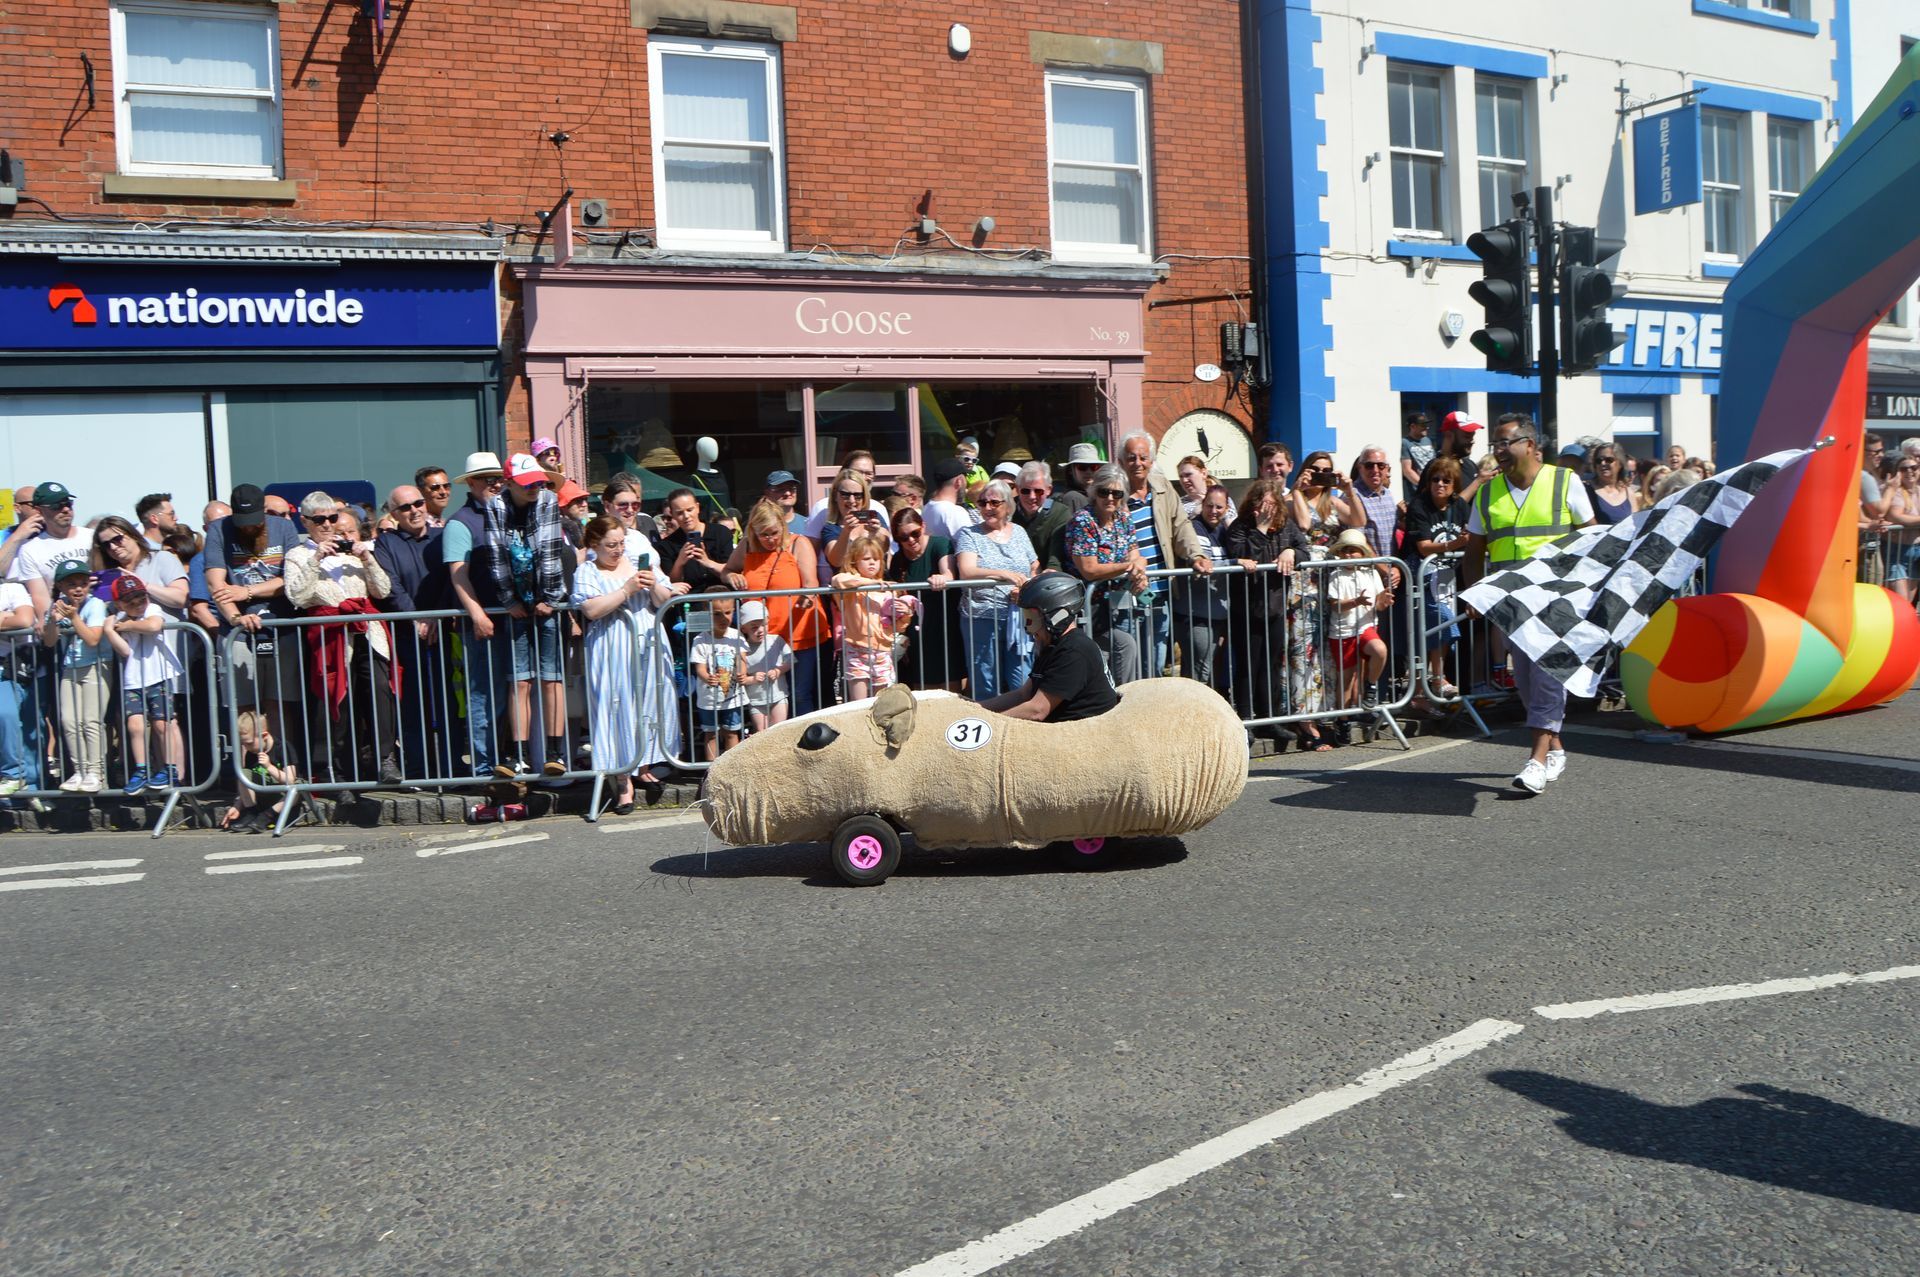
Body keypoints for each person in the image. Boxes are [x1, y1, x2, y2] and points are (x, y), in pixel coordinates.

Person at [1461, 414, 1597, 795]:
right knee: (1523, 678)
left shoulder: (1565, 482)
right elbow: (1474, 551)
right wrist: (1476, 594)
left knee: (1547, 673)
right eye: (1496, 445)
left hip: (1557, 598)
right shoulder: (1487, 493)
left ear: (1531, 445)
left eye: (1505, 443)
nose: (1499, 452)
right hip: (1512, 602)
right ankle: (1554, 745)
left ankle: (1536, 758)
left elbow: (1592, 540)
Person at [284, 491, 401, 787]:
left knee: (378, 692)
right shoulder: (298, 554)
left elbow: (383, 590)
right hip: (330, 636)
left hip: (366, 631)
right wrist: (316, 558)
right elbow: (297, 596)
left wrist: (367, 558)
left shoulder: (353, 551)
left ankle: (385, 759)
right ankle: (331, 771)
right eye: (319, 520)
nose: (327, 525)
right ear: (306, 522)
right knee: (335, 704)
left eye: (332, 518)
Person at [570, 515, 675, 812]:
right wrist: (626, 590)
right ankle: (622, 782)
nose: (618, 550)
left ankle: (645, 766)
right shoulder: (588, 571)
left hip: (646, 641)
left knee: (649, 704)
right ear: (595, 544)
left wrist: (653, 584)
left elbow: (665, 600)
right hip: (611, 645)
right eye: (611, 545)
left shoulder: (639, 562)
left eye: (621, 543)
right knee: (617, 709)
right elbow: (591, 609)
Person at [1117, 431, 1213, 681]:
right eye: (1131, 458)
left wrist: (1196, 555)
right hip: (1126, 591)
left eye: (1143, 457)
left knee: (1157, 658)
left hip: (1160, 590)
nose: (1137, 463)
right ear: (1121, 462)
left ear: (1151, 460)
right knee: (1128, 660)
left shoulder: (1162, 488)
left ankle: (1151, 714)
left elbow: (1181, 527)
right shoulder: (1113, 493)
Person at [720, 500, 829, 717]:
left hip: (797, 633)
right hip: (763, 637)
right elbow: (727, 571)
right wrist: (732, 575)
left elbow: (811, 583)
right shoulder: (747, 546)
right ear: (753, 531)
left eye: (774, 533)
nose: (770, 539)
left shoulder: (799, 543)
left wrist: (808, 596)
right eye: (764, 534)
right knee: (767, 697)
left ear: (783, 525)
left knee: (799, 694)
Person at [1223, 479, 1312, 743]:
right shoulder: (1241, 527)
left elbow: (1304, 549)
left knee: (1271, 666)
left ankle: (1269, 719)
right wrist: (1260, 529)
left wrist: (1290, 552)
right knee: (1248, 667)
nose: (1266, 508)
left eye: (1271, 504)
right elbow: (1241, 552)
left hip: (1274, 607)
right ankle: (1247, 721)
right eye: (1261, 503)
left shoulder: (1285, 527)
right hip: (1247, 609)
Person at [375, 484, 451, 779]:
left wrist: (436, 617)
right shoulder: (386, 543)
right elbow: (391, 586)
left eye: (417, 503)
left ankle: (451, 766)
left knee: (448, 704)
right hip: (407, 635)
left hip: (444, 630)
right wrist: (417, 619)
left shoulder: (441, 537)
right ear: (394, 514)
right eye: (405, 507)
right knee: (413, 705)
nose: (414, 510)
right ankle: (419, 770)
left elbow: (451, 578)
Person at [979, 571, 1119, 723]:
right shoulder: (1052, 645)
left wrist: (987, 722)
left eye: (1031, 618)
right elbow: (1023, 694)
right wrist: (975, 708)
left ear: (1056, 617)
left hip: (1082, 735)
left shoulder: (1074, 650)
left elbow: (1037, 710)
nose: (1027, 626)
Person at [953, 479, 1038, 700]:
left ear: (1008, 506)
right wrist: (1003, 575)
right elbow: (967, 571)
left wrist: (1027, 586)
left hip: (1017, 617)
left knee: (1022, 678)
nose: (987, 508)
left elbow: (1033, 566)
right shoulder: (969, 534)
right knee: (986, 682)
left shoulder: (1019, 532)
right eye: (982, 503)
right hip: (982, 617)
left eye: (994, 502)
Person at [1066, 463, 1146, 683]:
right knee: (1099, 661)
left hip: (1117, 605)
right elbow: (1089, 569)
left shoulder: (1123, 518)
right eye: (1104, 491)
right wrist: (1128, 568)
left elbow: (1135, 554)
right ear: (1094, 492)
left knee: (1125, 647)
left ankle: (1122, 701)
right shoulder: (1083, 521)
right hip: (1086, 609)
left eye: (1117, 493)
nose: (1110, 497)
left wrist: (1139, 569)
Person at [102, 576, 182, 795]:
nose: (138, 604)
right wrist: (110, 632)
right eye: (130, 601)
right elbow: (125, 650)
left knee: (161, 724)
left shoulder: (152, 609)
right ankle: (141, 769)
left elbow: (154, 626)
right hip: (134, 678)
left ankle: (170, 768)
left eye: (140, 598)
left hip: (159, 675)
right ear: (119, 604)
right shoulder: (118, 617)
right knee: (135, 725)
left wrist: (129, 625)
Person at [1401, 455, 1471, 700]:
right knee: (1443, 622)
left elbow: (1469, 534)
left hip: (1447, 577)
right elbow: (1423, 547)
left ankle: (1421, 693)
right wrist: (1454, 544)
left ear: (1454, 485)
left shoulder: (1459, 506)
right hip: (1421, 574)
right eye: (1435, 479)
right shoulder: (1419, 505)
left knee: (1436, 629)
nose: (1440, 484)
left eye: (1446, 480)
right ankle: (1438, 678)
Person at [40, 560, 109, 793]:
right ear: (60, 586)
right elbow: (49, 641)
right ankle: (79, 771)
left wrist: (74, 617)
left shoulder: (96, 605)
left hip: (96, 666)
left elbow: (92, 639)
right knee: (69, 721)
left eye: (82, 583)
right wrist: (52, 619)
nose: (78, 589)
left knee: (91, 721)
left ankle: (95, 772)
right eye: (71, 584)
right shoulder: (58, 607)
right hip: (70, 667)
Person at [831, 532, 916, 700]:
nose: (872, 563)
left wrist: (905, 615)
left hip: (882, 651)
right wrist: (870, 583)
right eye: (866, 558)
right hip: (857, 650)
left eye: (876, 559)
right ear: (854, 561)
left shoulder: (886, 590)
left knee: (880, 704)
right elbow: (837, 580)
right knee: (858, 705)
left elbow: (897, 627)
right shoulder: (851, 589)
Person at [887, 506, 963, 692]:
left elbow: (949, 572)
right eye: (903, 538)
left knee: (950, 688)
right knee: (923, 689)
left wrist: (942, 578)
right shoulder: (898, 559)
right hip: (917, 631)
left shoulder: (939, 544)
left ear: (923, 526)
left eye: (915, 533)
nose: (911, 540)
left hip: (945, 626)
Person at [1326, 529, 1395, 710]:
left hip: (1366, 626)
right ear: (1339, 554)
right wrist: (1356, 601)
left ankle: (1371, 685)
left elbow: (1378, 604)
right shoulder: (1336, 575)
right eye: (1344, 551)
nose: (1349, 555)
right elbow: (1336, 605)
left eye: (1353, 550)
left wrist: (1384, 601)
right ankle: (1343, 721)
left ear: (1362, 553)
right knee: (1346, 681)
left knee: (1380, 650)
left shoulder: (1370, 573)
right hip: (1343, 631)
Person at [1176, 483, 1236, 692]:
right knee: (1198, 674)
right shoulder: (1195, 527)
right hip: (1195, 614)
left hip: (1218, 613)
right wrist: (1237, 563)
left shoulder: (1224, 530)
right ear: (1202, 505)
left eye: (1219, 507)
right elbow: (1206, 564)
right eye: (1209, 506)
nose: (1214, 511)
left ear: (1227, 508)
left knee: (1211, 671)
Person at [689, 588, 748, 761]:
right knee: (711, 733)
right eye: (716, 614)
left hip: (733, 697)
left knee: (731, 732)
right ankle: (711, 769)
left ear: (734, 612)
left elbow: (742, 658)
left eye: (728, 613)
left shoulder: (736, 635)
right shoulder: (700, 639)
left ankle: (732, 766)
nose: (723, 618)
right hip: (709, 699)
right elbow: (699, 666)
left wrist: (742, 672)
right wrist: (706, 676)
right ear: (707, 613)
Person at [218, 709, 300, 832]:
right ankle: (251, 813)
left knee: (299, 786)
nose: (246, 748)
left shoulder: (283, 747)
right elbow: (247, 784)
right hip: (261, 798)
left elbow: (290, 780)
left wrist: (269, 766)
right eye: (243, 744)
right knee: (243, 774)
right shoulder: (253, 751)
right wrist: (237, 807)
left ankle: (267, 815)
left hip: (282, 800)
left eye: (249, 743)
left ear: (264, 736)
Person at [658, 487, 734, 592]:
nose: (686, 516)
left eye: (690, 510)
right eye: (680, 513)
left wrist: (708, 562)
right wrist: (679, 563)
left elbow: (733, 571)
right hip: (690, 603)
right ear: (672, 514)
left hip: (723, 602)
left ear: (697, 508)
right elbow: (671, 584)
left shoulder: (720, 533)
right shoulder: (666, 545)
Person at [0, 577, 35, 797]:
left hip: (12, 666)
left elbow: (24, 620)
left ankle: (22, 780)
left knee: (8, 715)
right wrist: (5, 618)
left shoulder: (12, 588)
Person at [1011, 461, 1078, 572]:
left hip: (1045, 581)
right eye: (1025, 491)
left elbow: (1056, 555)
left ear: (1048, 490)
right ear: (1017, 490)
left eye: (1038, 491)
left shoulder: (1060, 512)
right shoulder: (1006, 510)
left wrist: (1051, 570)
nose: (1032, 496)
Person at [736, 600, 792, 734]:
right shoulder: (742, 648)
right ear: (744, 628)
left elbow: (790, 660)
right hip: (756, 700)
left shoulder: (776, 640)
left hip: (778, 696)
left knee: (779, 730)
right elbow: (740, 678)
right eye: (754, 627)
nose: (760, 630)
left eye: (763, 625)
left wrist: (779, 670)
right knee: (762, 734)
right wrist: (753, 679)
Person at [1880, 453, 1920, 606]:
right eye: (1904, 469)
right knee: (1901, 602)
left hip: (1916, 551)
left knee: (1908, 604)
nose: (1910, 471)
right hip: (1897, 551)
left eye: (1914, 467)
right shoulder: (1895, 491)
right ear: (1898, 472)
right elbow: (1897, 517)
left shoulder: (1918, 490)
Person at [921, 457, 978, 544]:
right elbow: (971, 549)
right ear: (959, 482)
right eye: (965, 478)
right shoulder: (956, 513)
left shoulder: (925, 509)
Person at [1438, 413, 1489, 502]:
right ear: (1449, 435)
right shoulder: (1436, 468)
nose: (1472, 441)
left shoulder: (1470, 465)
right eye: (1467, 436)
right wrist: (1478, 482)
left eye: (1473, 436)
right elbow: (1449, 509)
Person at [1585, 444, 1637, 524]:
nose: (1603, 463)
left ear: (1620, 464)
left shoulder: (1629, 492)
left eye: (1609, 460)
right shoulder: (1586, 490)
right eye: (1598, 461)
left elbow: (1636, 524)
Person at [1400, 412, 1435, 497]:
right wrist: (1424, 486)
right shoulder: (1405, 443)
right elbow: (1407, 470)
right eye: (1423, 425)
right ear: (1412, 426)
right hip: (1417, 493)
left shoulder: (1427, 440)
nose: (1427, 427)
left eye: (1427, 425)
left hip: (1433, 489)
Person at [760, 469, 805, 534]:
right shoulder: (758, 525)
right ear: (767, 493)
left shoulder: (808, 524)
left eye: (792, 488)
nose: (787, 493)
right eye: (780, 489)